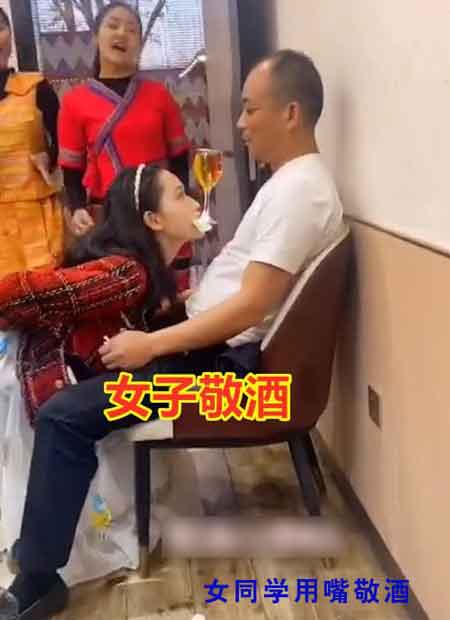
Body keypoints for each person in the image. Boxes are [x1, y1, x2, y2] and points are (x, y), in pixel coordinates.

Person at [1, 49, 345, 619]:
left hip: (229, 378)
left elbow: (252, 305)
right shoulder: (291, 185)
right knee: (75, 395)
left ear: (290, 114)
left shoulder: (301, 191)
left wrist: (151, 344)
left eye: (249, 109)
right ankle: (48, 548)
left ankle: (38, 579)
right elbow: (244, 291)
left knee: (64, 415)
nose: (240, 124)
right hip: (204, 352)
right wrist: (180, 312)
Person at [0, 165, 203, 593]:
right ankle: (37, 579)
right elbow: (36, 291)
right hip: (45, 376)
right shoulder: (128, 272)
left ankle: (38, 571)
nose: (195, 203)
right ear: (153, 220)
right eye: (181, 195)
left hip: (62, 373)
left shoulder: (149, 271)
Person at [58, 1, 192, 287]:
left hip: (158, 216)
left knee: (169, 296)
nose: (122, 33)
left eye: (132, 30)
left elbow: (180, 159)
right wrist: (77, 208)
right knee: (119, 294)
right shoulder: (73, 102)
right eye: (113, 25)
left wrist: (181, 207)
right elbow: (71, 170)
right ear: (96, 36)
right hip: (109, 220)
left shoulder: (160, 96)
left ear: (140, 44)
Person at [0, 8, 63, 278]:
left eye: (0, 27)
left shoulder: (36, 87)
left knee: (44, 291)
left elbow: (65, 142)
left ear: (10, 34)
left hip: (37, 219)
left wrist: (49, 158)